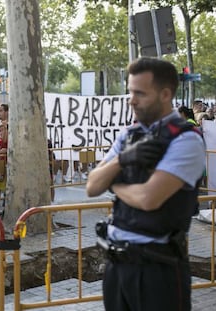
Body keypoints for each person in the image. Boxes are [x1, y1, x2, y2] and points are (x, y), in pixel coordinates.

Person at [86, 57, 205, 311]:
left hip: (157, 269)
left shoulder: (186, 139)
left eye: (140, 93)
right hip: (117, 266)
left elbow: (148, 198)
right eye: (130, 91)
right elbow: (93, 185)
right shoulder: (129, 135)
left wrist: (114, 184)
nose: (131, 99)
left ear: (165, 94)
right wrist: (124, 159)